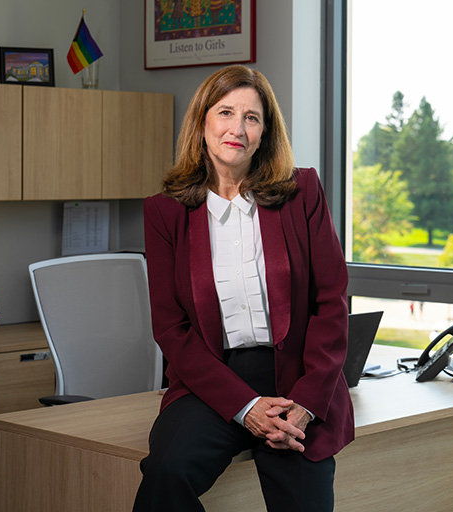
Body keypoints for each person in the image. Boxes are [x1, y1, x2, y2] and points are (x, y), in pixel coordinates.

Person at [133, 64, 353, 511]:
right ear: (202, 122)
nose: (238, 128)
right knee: (166, 473)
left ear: (265, 132)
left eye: (252, 117)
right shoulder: (165, 212)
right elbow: (171, 328)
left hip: (297, 382)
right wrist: (246, 406)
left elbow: (331, 301)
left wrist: (308, 403)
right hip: (211, 383)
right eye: (226, 112)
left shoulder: (302, 191)